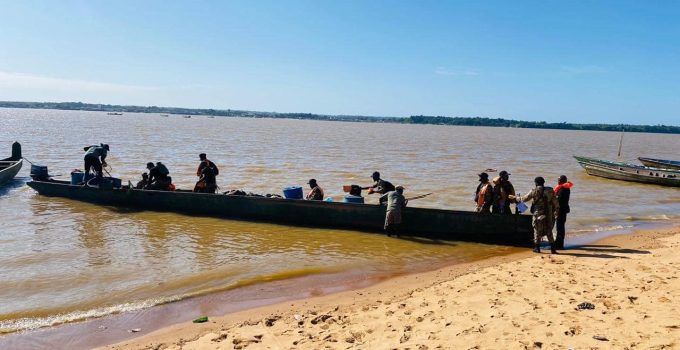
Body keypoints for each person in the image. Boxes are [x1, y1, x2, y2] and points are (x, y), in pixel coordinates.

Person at [513, 176, 560, 254]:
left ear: (535, 183)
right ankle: (553, 249)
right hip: (548, 213)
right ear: (544, 182)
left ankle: (537, 248)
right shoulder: (550, 190)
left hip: (538, 213)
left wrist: (517, 198)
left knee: (537, 230)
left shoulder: (533, 191)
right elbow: (556, 203)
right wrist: (556, 211)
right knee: (548, 230)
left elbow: (524, 199)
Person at [554, 175, 573, 250]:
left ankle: (559, 244)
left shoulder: (563, 188)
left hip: (561, 210)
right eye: (558, 180)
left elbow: (559, 200)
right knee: (560, 227)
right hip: (563, 210)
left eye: (560, 180)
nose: (558, 181)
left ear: (564, 180)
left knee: (560, 227)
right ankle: (559, 243)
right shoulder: (565, 187)